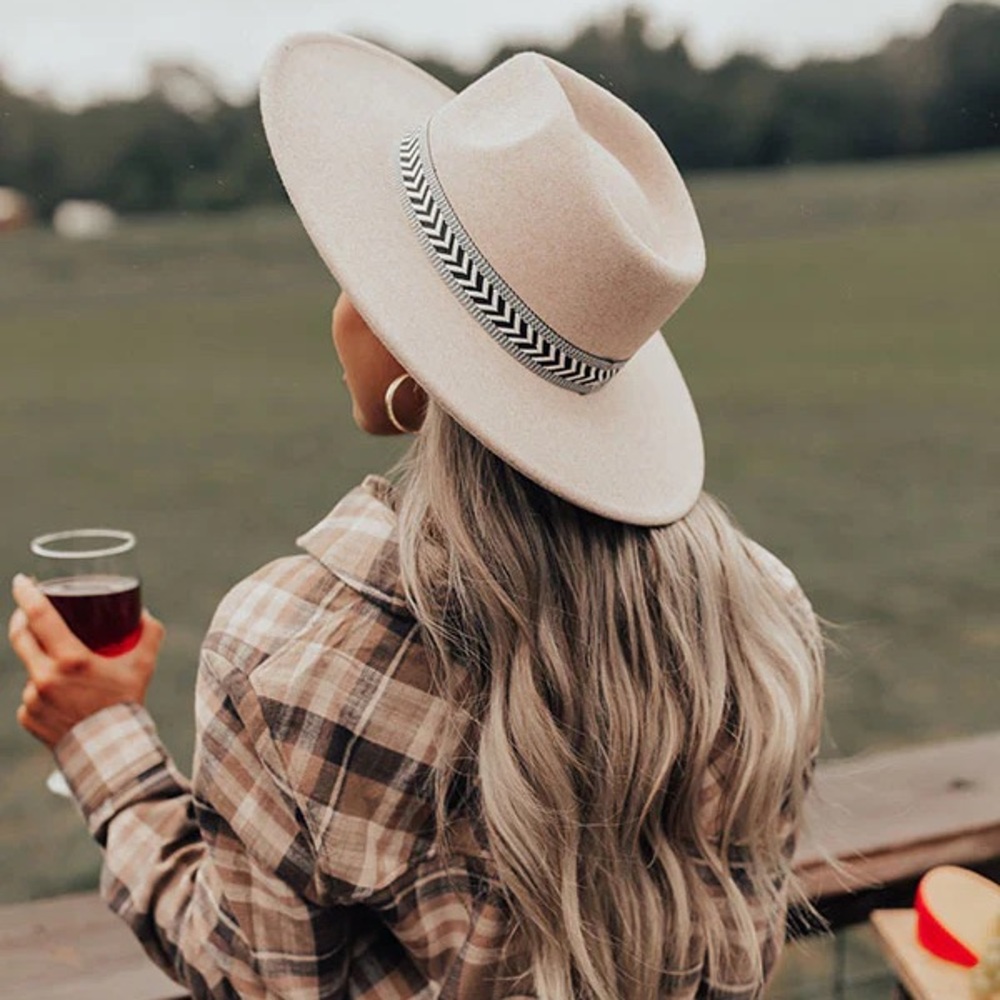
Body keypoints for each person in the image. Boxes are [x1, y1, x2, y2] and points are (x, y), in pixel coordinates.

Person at [8, 34, 824, 1000]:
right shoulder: (763, 614)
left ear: (411, 353)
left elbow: (258, 980)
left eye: (366, 270)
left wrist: (101, 736)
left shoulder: (290, 651)